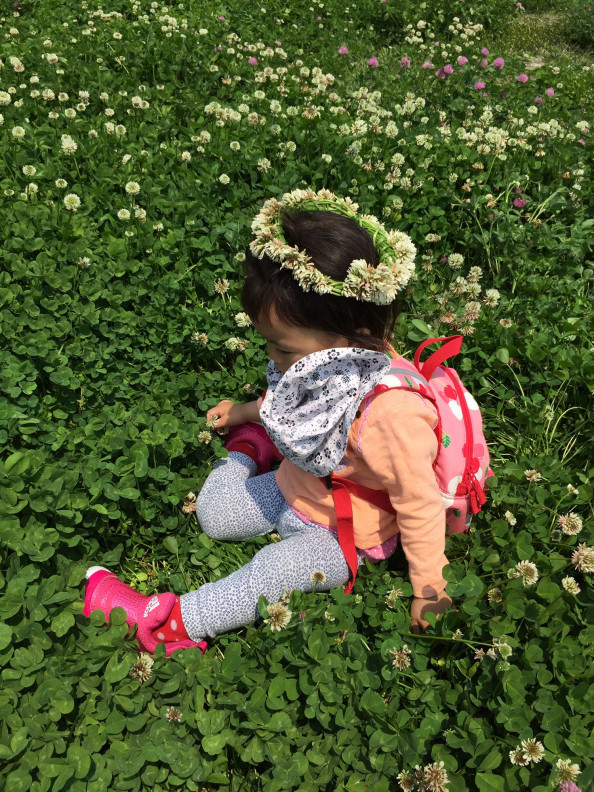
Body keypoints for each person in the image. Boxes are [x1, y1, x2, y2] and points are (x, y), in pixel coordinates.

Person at [83, 188, 452, 657]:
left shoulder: (392, 414)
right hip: (292, 482)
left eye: (284, 349)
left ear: (353, 334)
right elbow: (291, 396)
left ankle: (171, 621)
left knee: (274, 569)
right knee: (214, 516)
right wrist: (244, 414)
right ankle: (251, 447)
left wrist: (430, 589)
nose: (274, 359)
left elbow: (420, 505)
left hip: (343, 534)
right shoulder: (321, 358)